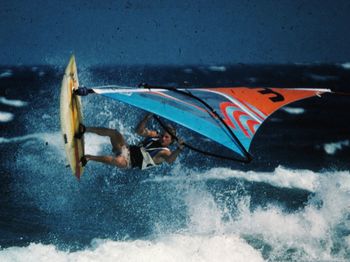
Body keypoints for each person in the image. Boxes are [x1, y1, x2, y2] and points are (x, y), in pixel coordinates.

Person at [80, 113, 184, 169]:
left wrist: (179, 149)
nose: (163, 138)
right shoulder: (155, 135)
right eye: (163, 135)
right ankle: (85, 129)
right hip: (126, 149)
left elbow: (170, 160)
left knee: (118, 160)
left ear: (171, 141)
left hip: (128, 162)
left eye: (166, 137)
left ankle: (88, 157)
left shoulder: (165, 152)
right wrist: (146, 118)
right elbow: (139, 131)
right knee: (115, 133)